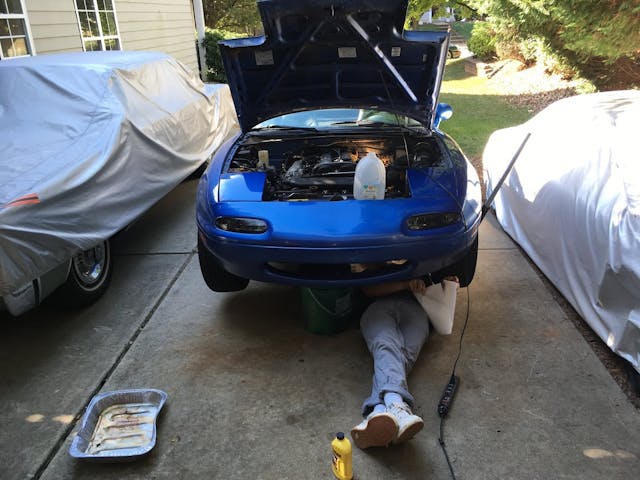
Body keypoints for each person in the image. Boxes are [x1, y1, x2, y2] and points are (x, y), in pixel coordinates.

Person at [350, 275, 459, 449]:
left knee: (404, 356)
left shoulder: (426, 260)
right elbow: (368, 286)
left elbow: (443, 280)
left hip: (416, 307)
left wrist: (449, 284)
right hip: (377, 306)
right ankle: (396, 406)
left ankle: (378, 411)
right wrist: (406, 283)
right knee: (385, 344)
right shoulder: (375, 260)